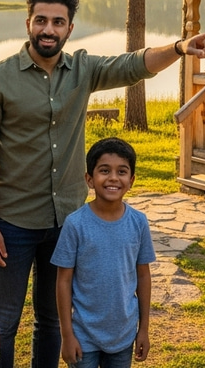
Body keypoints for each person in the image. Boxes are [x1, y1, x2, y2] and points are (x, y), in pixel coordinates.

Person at [0, 0, 205, 368]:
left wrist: (179, 48)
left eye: (58, 21)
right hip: (12, 222)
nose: (48, 29)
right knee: (3, 323)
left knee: (52, 319)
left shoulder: (82, 70)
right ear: (28, 23)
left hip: (66, 221)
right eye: (41, 20)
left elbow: (133, 64)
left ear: (70, 28)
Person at [53, 137, 155, 368]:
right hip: (82, 335)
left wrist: (144, 329)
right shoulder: (75, 224)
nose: (113, 178)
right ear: (89, 179)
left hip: (123, 335)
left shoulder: (138, 223)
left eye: (122, 171)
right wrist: (67, 335)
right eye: (104, 170)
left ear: (132, 179)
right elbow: (63, 281)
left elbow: (143, 276)